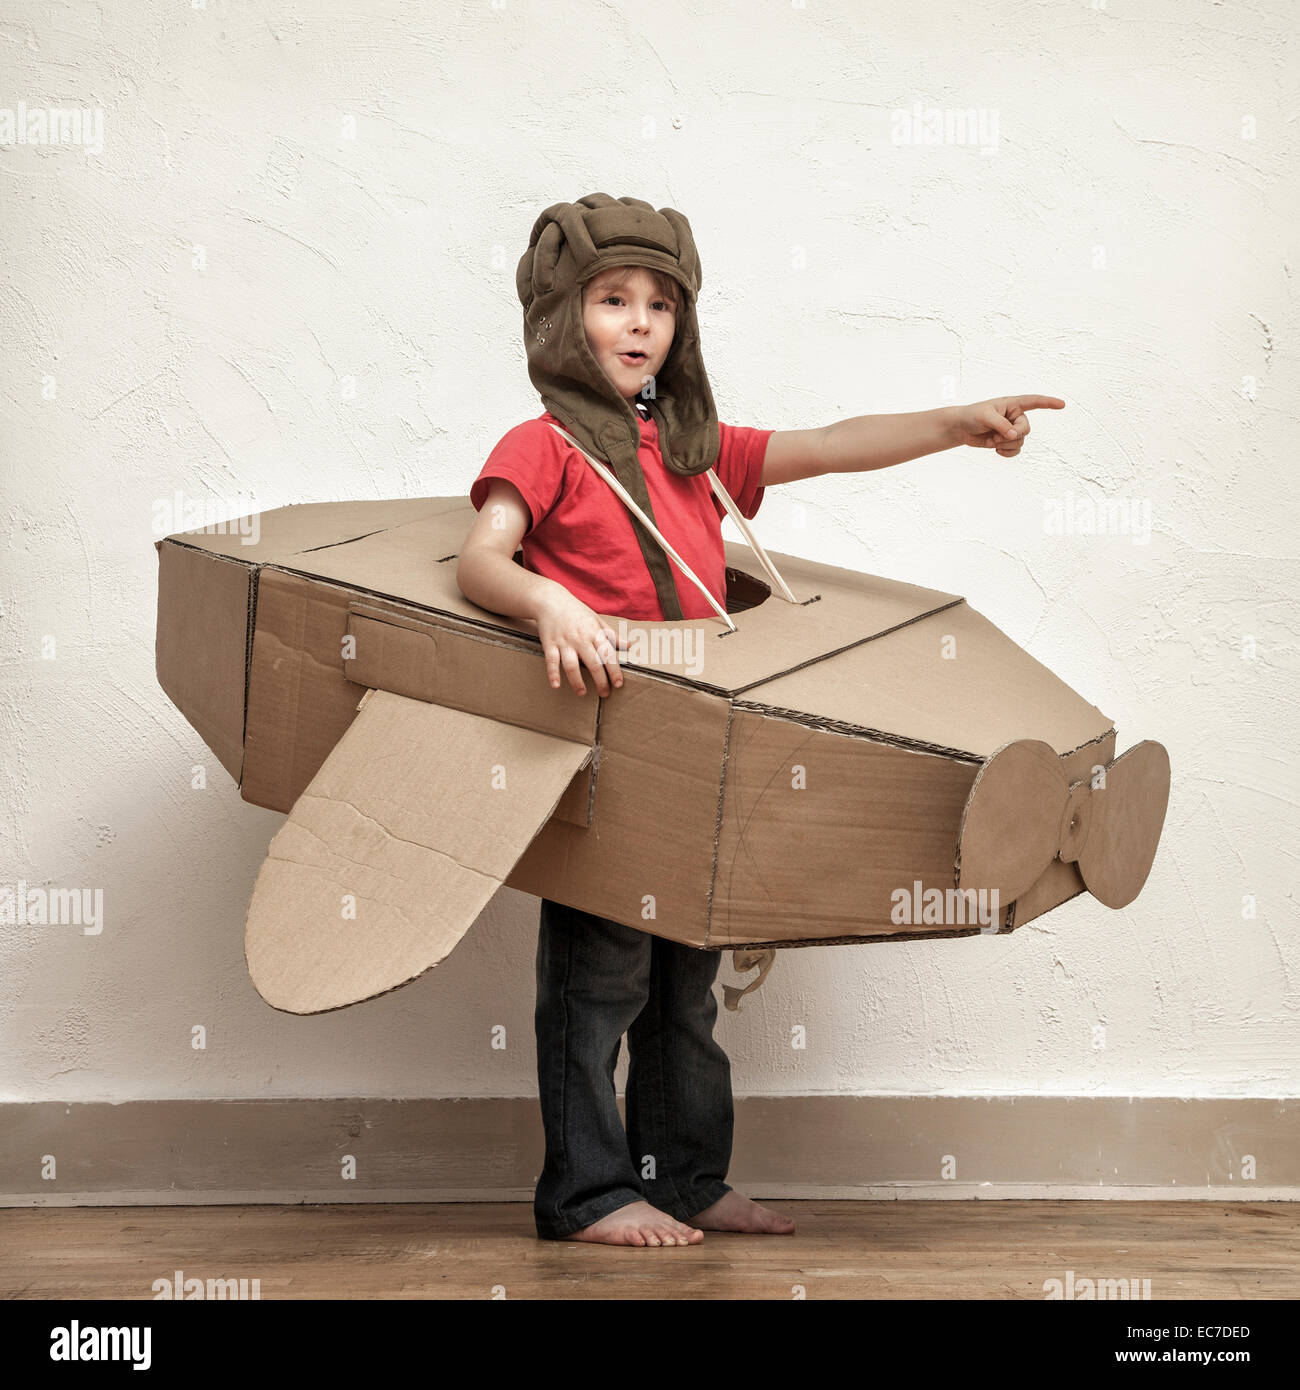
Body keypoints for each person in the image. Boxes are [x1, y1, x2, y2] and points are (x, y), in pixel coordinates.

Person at [456, 194, 1064, 1247]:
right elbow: (479, 558)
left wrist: (953, 425)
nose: (641, 323)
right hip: (606, 751)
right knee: (597, 982)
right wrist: (551, 600)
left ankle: (683, 1177)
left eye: (661, 304)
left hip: (702, 756)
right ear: (564, 317)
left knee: (685, 991)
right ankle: (588, 1193)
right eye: (611, 301)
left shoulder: (690, 447)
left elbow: (826, 445)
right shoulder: (543, 445)